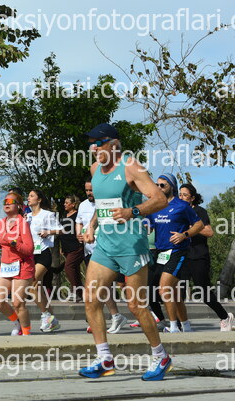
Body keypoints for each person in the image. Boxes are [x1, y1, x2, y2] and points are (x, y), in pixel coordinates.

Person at [79, 123, 170, 381]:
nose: (93, 148)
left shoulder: (131, 166)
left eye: (98, 143)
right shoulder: (95, 169)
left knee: (136, 306)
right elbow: (102, 205)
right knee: (91, 299)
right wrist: (92, 225)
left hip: (131, 245)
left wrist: (133, 211)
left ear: (114, 144)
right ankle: (104, 358)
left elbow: (159, 199)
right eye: (91, 144)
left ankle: (161, 356)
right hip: (105, 245)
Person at [148, 174, 203, 333]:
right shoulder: (154, 206)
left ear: (172, 187)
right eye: (157, 185)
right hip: (160, 253)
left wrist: (184, 235)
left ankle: (173, 327)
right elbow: (148, 227)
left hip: (178, 251)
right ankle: (186, 326)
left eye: (162, 185)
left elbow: (199, 225)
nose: (159, 188)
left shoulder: (182, 205)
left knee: (164, 289)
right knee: (174, 292)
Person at [76, 181, 128, 334]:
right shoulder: (83, 205)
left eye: (91, 190)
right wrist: (79, 234)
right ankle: (112, 316)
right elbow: (79, 222)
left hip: (108, 249)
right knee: (99, 287)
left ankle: (114, 316)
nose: (89, 193)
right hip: (89, 249)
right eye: (87, 190)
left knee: (101, 286)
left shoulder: (110, 202)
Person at [179, 183, 234, 331]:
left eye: (185, 195)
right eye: (180, 194)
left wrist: (191, 228)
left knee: (204, 292)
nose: (181, 197)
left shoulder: (199, 211)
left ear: (192, 198)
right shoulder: (177, 211)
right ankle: (179, 325)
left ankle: (225, 317)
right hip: (182, 256)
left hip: (198, 256)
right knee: (178, 292)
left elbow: (209, 232)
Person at [0, 192, 35, 335]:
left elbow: (29, 249)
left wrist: (14, 243)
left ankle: (27, 334)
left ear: (19, 205)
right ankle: (17, 323)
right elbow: (5, 243)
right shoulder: (1, 222)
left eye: (10, 201)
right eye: (5, 202)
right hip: (6, 265)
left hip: (22, 265)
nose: (6, 204)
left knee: (18, 303)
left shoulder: (23, 223)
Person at [26, 189, 62, 332]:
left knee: (31, 284)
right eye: (28, 196)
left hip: (43, 254)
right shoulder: (27, 216)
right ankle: (52, 320)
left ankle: (45, 315)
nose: (28, 198)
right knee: (38, 289)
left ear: (39, 199)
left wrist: (48, 232)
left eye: (32, 196)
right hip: (30, 255)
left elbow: (61, 229)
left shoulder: (47, 214)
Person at [59, 195, 84, 302]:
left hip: (76, 246)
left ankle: (75, 291)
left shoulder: (77, 215)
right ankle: (80, 293)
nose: (64, 204)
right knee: (75, 269)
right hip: (66, 247)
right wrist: (62, 247)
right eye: (64, 202)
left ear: (73, 204)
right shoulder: (64, 216)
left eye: (67, 203)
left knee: (69, 266)